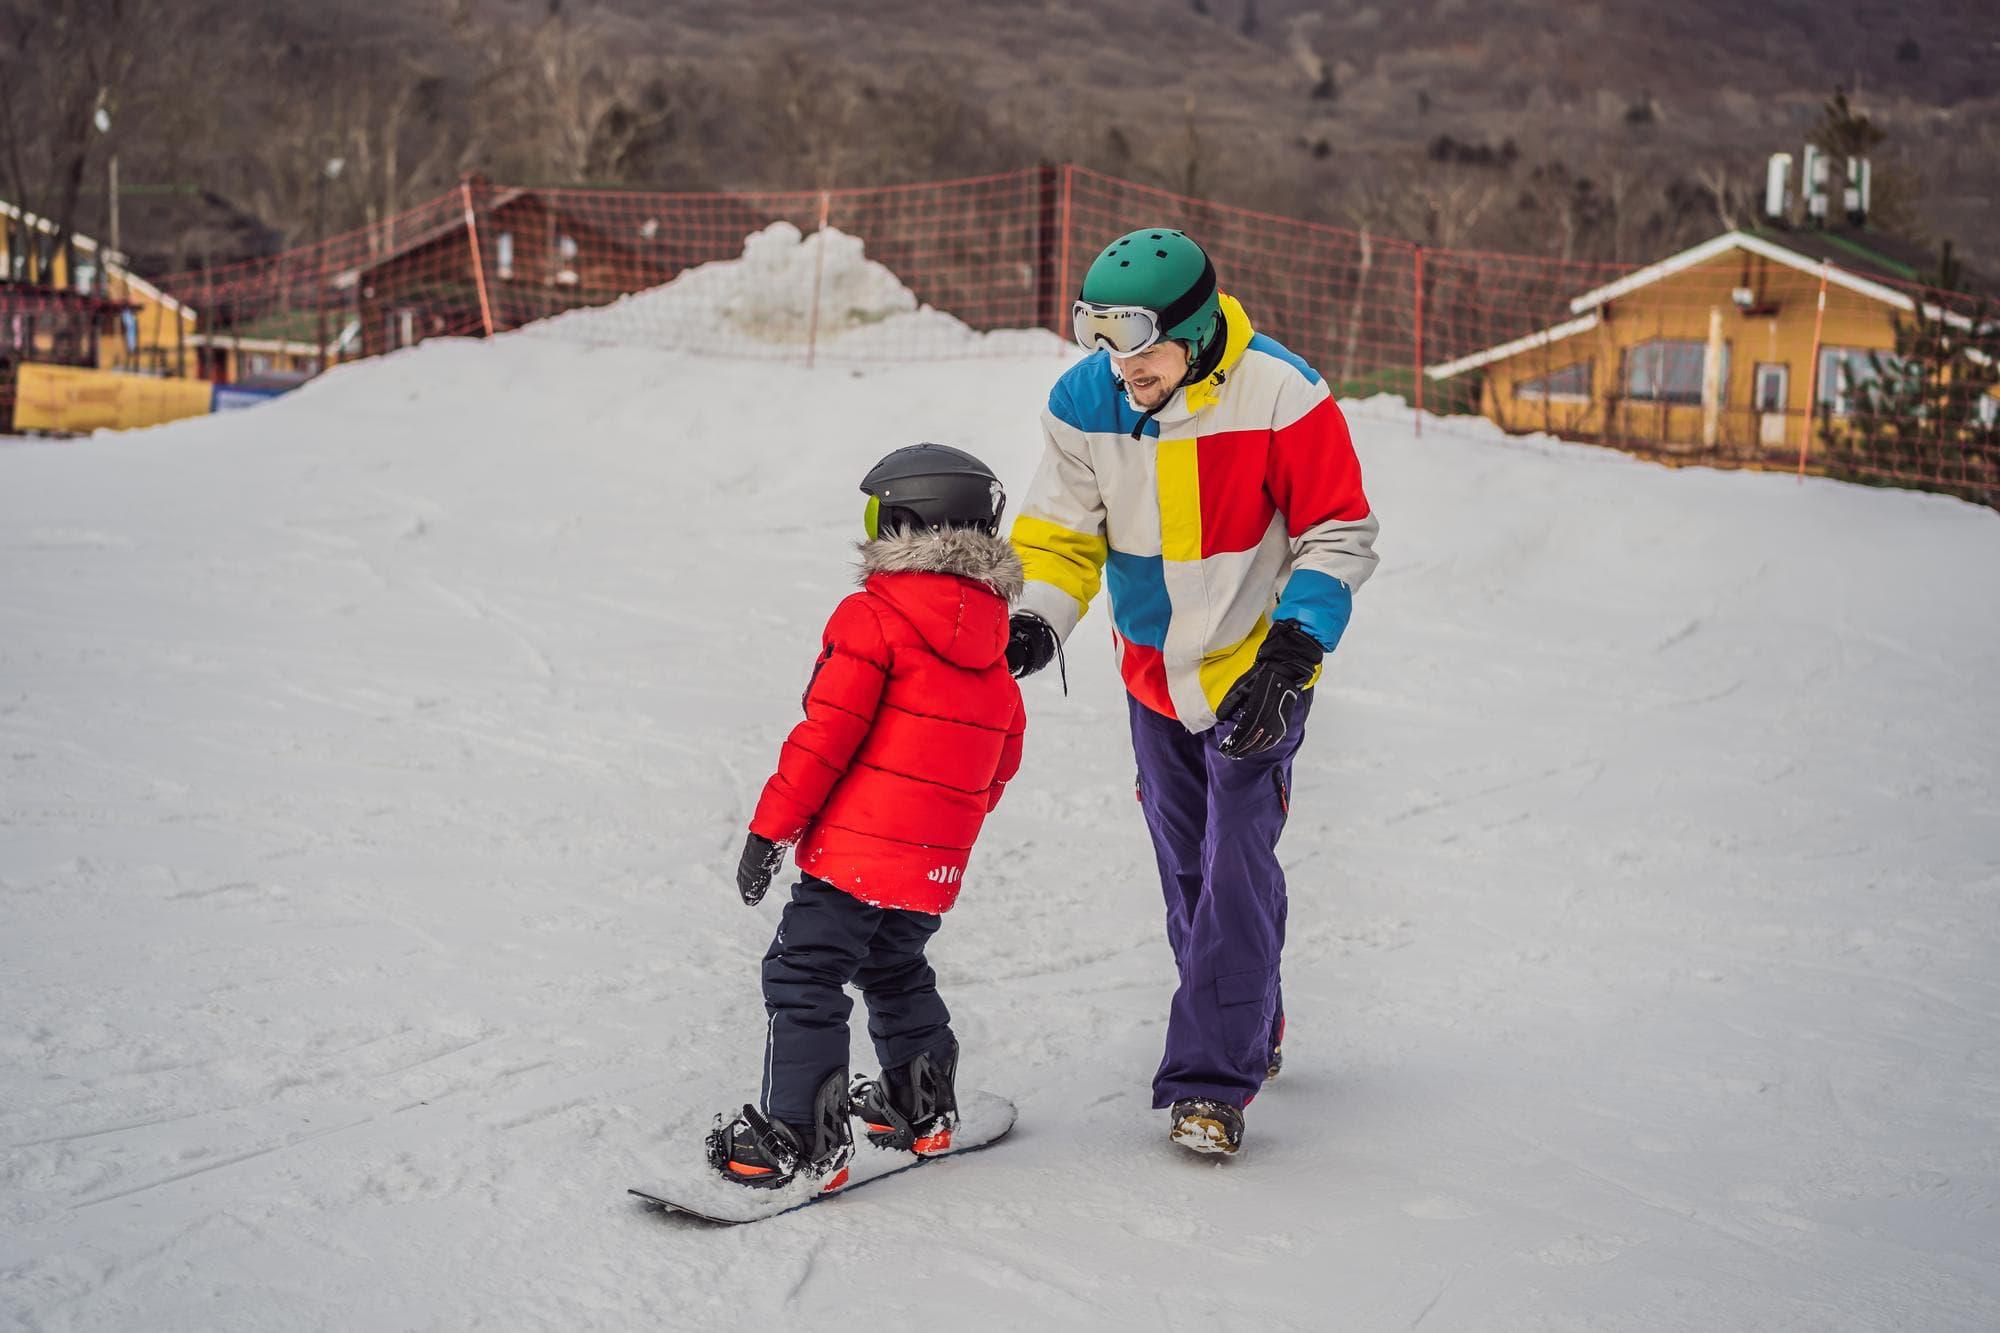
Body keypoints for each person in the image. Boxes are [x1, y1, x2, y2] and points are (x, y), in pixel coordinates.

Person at [1007, 227, 1378, 1156]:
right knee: (1189, 872)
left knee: (1236, 866)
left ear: (1198, 327)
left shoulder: (1283, 394)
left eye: (1141, 348)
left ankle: (1213, 1081)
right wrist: (1038, 618)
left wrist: (1294, 652)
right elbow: (1059, 536)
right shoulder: (1086, 402)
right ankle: (1253, 1017)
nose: (1122, 367)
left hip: (1257, 674)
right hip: (1153, 677)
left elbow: (1338, 531)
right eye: (1105, 342)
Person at [709, 443, 1027, 1192]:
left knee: (803, 973)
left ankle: (800, 1133)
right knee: (892, 964)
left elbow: (826, 734)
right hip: (932, 863)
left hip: (854, 856)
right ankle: (921, 1105)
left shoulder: (872, 617)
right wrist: (940, 834)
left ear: (904, 519)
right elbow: (1000, 759)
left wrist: (770, 829)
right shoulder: (994, 641)